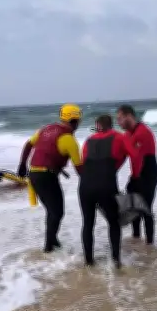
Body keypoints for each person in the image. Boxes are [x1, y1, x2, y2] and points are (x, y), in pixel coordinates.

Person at [17, 104, 83, 252]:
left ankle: (52, 239)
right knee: (57, 212)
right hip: (46, 177)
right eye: (78, 121)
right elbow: (79, 168)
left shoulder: (45, 129)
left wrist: (22, 164)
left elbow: (28, 144)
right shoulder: (69, 140)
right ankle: (48, 247)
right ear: (73, 121)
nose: (79, 124)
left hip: (34, 175)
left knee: (52, 210)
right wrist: (91, 181)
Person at [79, 114, 130, 268]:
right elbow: (131, 154)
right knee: (114, 222)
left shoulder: (88, 140)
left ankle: (89, 261)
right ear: (111, 124)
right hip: (106, 185)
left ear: (98, 125)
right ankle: (116, 261)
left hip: (85, 186)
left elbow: (83, 162)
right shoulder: (119, 137)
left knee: (88, 223)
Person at [116, 104, 157, 244]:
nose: (118, 122)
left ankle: (149, 244)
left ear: (129, 116)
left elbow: (137, 157)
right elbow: (122, 156)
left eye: (120, 118)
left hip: (149, 174)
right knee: (133, 209)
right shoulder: (127, 134)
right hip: (137, 175)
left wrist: (135, 180)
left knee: (145, 209)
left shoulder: (143, 132)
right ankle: (136, 239)